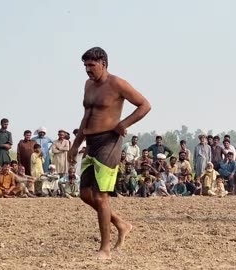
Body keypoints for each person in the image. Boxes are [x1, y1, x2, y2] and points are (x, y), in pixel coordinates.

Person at [67, 47, 151, 260]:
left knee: (100, 196)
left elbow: (145, 105)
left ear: (103, 63)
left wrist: (123, 123)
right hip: (91, 142)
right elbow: (86, 115)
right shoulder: (88, 85)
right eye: (85, 66)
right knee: (85, 194)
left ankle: (104, 248)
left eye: (91, 65)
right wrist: (76, 144)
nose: (87, 70)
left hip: (109, 142)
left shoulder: (117, 84)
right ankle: (121, 224)